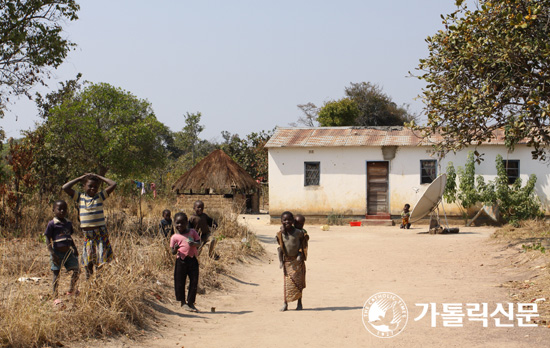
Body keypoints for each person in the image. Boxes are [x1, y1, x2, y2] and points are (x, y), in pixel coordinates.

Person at [63, 173, 117, 279]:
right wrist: (79, 178)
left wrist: (99, 176)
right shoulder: (80, 197)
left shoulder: (100, 196)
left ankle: (99, 282)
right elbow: (65, 187)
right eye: (90, 186)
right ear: (84, 186)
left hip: (100, 234)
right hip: (88, 236)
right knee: (88, 262)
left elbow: (113, 184)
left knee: (100, 261)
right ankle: (89, 283)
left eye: (95, 186)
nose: (93, 188)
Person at [44, 200, 80, 297]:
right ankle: (55, 295)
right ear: (53, 210)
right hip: (57, 253)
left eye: (64, 209)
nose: (62, 211)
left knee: (77, 270)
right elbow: (47, 238)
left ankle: (71, 290)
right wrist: (52, 253)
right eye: (59, 209)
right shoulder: (52, 224)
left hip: (68, 252)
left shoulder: (68, 223)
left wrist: (74, 248)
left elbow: (69, 237)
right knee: (56, 274)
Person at [276, 211, 309, 311]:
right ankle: (285, 303)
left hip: (297, 262)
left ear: (293, 220)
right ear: (281, 221)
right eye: (284, 220)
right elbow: (279, 243)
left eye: (289, 220)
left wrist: (300, 253)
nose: (287, 222)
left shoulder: (298, 232)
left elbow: (304, 240)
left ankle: (299, 303)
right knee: (287, 284)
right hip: (287, 262)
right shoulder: (281, 233)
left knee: (298, 283)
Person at [170, 212, 201, 312]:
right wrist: (175, 249)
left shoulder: (192, 232)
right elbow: (172, 252)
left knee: (194, 281)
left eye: (182, 223)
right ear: (174, 223)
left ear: (187, 222)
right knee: (180, 281)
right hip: (181, 261)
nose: (179, 225)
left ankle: (191, 302)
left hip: (192, 260)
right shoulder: (174, 237)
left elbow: (199, 243)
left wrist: (194, 243)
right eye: (177, 223)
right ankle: (183, 302)